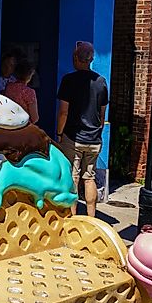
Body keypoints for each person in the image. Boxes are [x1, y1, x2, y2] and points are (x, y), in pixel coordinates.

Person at [56, 42, 108, 218]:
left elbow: (64, 112)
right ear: (91, 59)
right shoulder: (101, 82)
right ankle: (92, 217)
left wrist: (59, 133)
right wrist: (98, 132)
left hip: (73, 137)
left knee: (73, 176)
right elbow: (102, 114)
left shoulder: (68, 80)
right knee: (90, 177)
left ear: (77, 59)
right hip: (94, 139)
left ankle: (73, 216)